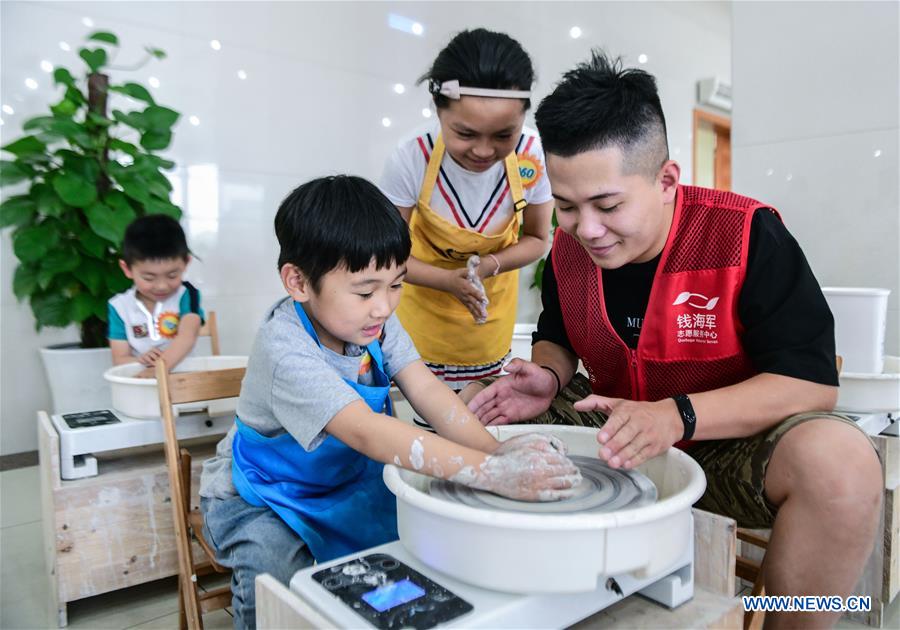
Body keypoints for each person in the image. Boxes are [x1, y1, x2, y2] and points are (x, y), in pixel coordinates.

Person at [465, 52, 882, 629]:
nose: (587, 229)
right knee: (475, 407)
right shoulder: (568, 250)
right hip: (614, 433)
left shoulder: (744, 234)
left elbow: (810, 383)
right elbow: (557, 336)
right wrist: (549, 375)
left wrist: (676, 416)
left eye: (608, 205)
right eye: (566, 207)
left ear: (666, 181)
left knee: (841, 465)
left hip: (728, 445)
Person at [198, 175, 580, 629]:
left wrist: (495, 452)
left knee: (410, 550)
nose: (383, 306)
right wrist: (490, 473)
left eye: (396, 285)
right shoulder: (284, 348)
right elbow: (367, 431)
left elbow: (428, 391)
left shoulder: (372, 324)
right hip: (263, 495)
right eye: (365, 292)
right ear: (298, 282)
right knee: (276, 577)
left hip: (343, 481)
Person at [379, 29, 554, 423]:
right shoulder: (412, 158)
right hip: (425, 318)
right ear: (438, 110)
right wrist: (447, 281)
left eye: (503, 135)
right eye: (465, 133)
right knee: (431, 427)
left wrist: (489, 266)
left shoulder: (532, 156)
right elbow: (388, 255)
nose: (483, 150)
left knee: (485, 422)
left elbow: (536, 238)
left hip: (489, 322)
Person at [108, 214, 204, 374]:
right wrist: (141, 361)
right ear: (127, 269)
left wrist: (159, 369)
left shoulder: (187, 294)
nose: (162, 286)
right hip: (140, 382)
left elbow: (187, 337)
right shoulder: (119, 307)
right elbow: (119, 359)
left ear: (186, 263)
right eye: (149, 278)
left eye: (172, 275)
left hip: (183, 380)